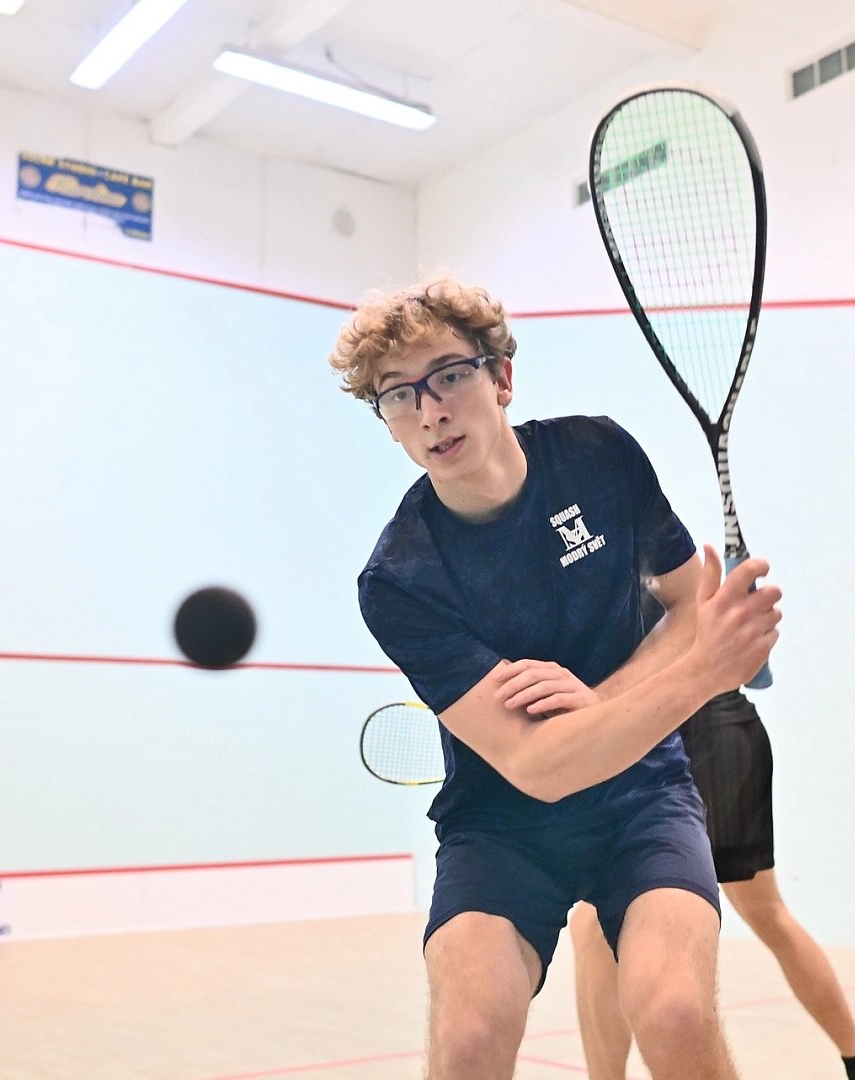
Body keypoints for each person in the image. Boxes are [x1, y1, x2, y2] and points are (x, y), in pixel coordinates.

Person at [330, 276, 781, 1080]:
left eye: (449, 376)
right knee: (469, 1042)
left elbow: (688, 604)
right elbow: (538, 766)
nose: (429, 411)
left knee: (675, 1014)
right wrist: (701, 674)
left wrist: (603, 699)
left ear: (501, 377)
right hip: (500, 827)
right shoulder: (400, 578)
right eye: (397, 395)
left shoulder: (598, 457)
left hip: (642, 796)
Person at [569, 681, 855, 1080]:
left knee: (761, 912)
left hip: (703, 738)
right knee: (593, 925)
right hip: (654, 741)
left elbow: (747, 666)